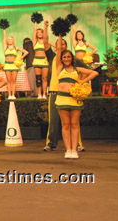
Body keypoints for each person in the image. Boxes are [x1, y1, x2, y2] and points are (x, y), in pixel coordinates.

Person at [43, 20, 90, 152]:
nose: (61, 46)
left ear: (66, 46)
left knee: (73, 122)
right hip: (54, 92)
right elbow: (45, 42)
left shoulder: (72, 59)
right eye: (59, 44)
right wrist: (46, 27)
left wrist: (80, 85)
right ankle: (51, 143)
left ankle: (78, 144)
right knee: (54, 121)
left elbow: (88, 71)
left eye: (63, 44)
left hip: (71, 94)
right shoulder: (52, 56)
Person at [54, 34, 98, 159]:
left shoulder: (77, 69)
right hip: (62, 99)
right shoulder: (59, 68)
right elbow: (58, 51)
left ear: (71, 58)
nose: (66, 58)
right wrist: (60, 35)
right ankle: (67, 150)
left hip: (74, 99)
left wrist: (82, 82)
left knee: (74, 124)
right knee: (65, 125)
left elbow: (94, 72)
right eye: (64, 57)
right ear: (61, 59)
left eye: (68, 56)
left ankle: (74, 150)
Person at [2, 29, 29, 99]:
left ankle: (13, 95)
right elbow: (4, 38)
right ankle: (9, 95)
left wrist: (20, 58)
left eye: (11, 39)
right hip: (7, 65)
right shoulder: (5, 47)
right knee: (8, 81)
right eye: (9, 39)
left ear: (13, 40)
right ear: (7, 41)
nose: (10, 40)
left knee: (13, 81)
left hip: (14, 65)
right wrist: (4, 29)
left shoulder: (16, 47)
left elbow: (26, 52)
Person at [32, 22, 51, 99]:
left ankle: (44, 94)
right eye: (38, 33)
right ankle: (39, 94)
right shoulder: (35, 41)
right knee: (38, 78)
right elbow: (33, 32)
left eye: (41, 32)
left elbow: (55, 46)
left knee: (45, 78)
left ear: (43, 33)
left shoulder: (46, 42)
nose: (39, 34)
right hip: (36, 61)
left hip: (44, 61)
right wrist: (35, 23)